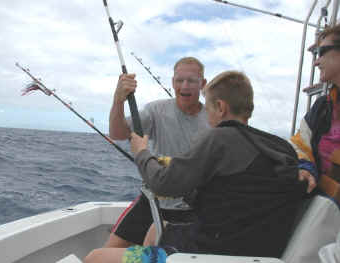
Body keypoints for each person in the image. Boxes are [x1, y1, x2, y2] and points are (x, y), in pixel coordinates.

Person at [84, 71, 307, 263]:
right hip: (255, 249)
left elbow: (163, 184)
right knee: (155, 230)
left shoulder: (221, 137)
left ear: (220, 107)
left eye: (208, 108)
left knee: (96, 258)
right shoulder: (280, 147)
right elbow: (234, 187)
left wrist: (142, 152)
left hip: (209, 254)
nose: (206, 116)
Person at [105, 57, 210, 248]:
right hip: (152, 200)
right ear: (172, 82)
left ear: (203, 84)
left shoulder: (213, 119)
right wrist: (118, 100)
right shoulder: (156, 110)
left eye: (192, 80)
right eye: (179, 80)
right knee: (108, 253)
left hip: (191, 209)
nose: (184, 86)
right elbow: (117, 133)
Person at [290, 24, 340, 192]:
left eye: (321, 52)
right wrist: (304, 167)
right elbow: (300, 144)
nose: (316, 61)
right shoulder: (322, 107)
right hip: (326, 211)